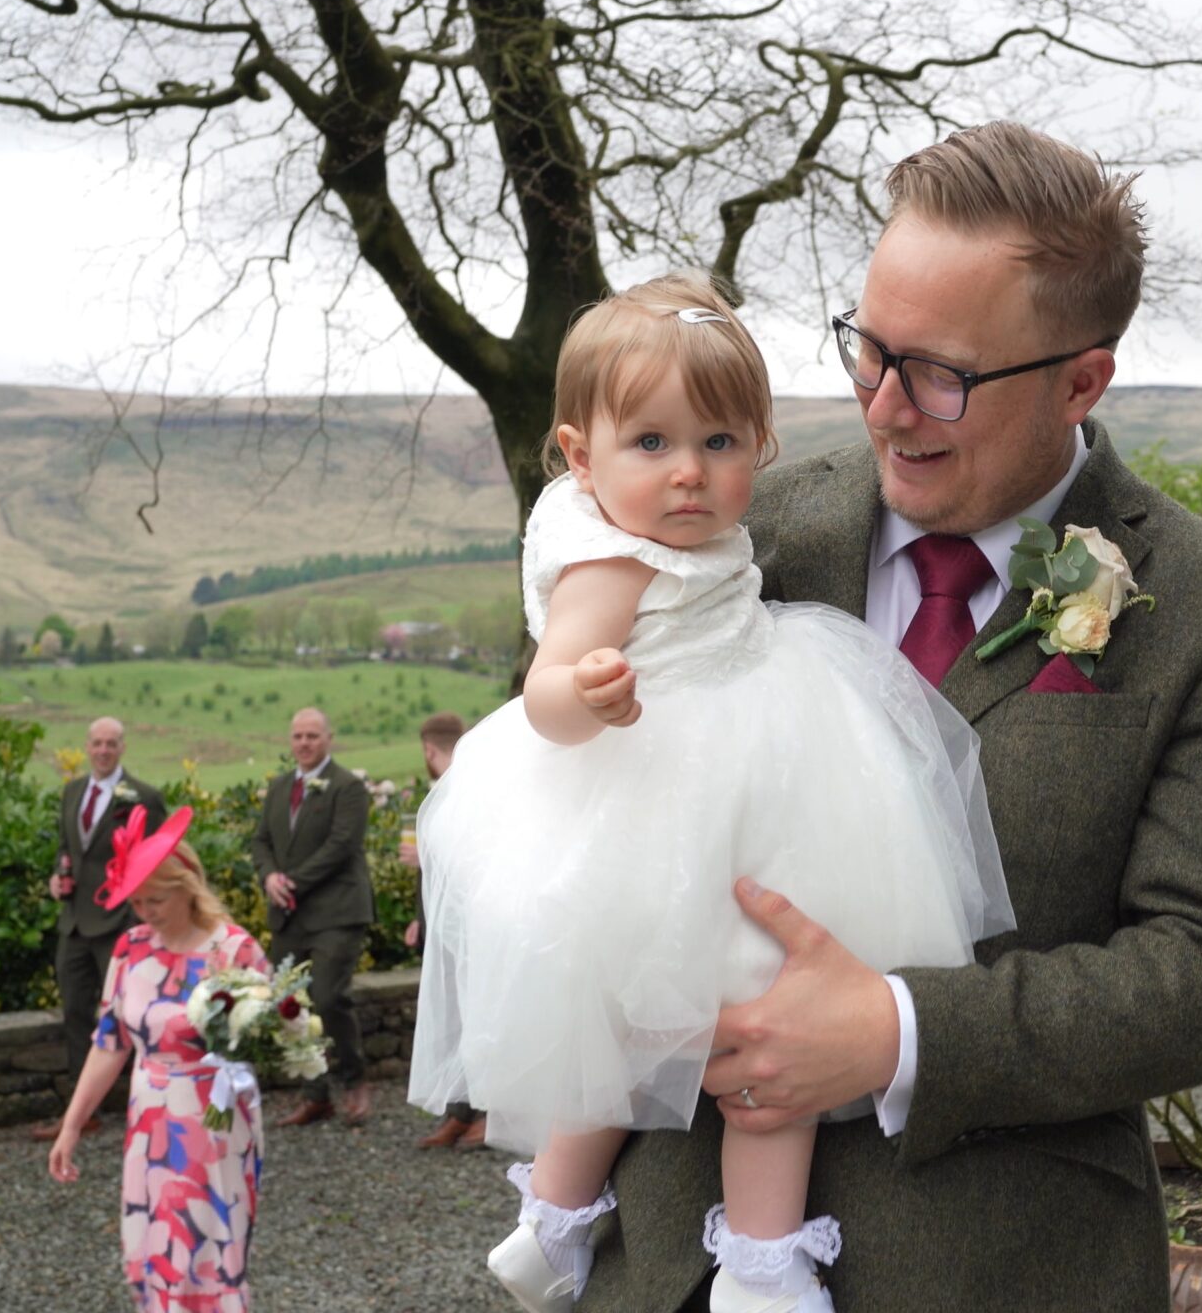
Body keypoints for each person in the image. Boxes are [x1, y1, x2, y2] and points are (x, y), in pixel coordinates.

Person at [579, 124, 1202, 1311]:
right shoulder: (734, 528)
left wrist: (897, 1033)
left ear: (1080, 381)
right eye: (869, 349)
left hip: (999, 1272)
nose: (884, 408)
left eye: (940, 376)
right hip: (670, 1262)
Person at [408, 270, 1011, 1313]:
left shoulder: (693, 531)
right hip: (654, 815)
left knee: (741, 1041)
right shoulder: (611, 562)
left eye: (720, 442)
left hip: (761, 784)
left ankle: (631, 1237)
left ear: (759, 446)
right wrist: (584, 694)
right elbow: (543, 692)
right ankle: (687, 1249)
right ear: (579, 454)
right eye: (652, 443)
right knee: (696, 1044)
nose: (689, 473)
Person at [49, 809, 267, 1313]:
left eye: (156, 899)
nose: (145, 911)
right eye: (136, 901)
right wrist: (71, 1125)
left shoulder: (234, 950)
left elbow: (269, 1035)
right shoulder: (130, 948)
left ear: (187, 887)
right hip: (149, 1117)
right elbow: (110, 1043)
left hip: (214, 1114)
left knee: (207, 1247)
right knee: (156, 1245)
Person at [35, 717, 167, 1142]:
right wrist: (57, 878)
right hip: (75, 922)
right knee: (76, 1013)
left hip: (119, 924)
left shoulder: (144, 797)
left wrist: (143, 915)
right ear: (87, 746)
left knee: (132, 1017)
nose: (103, 750)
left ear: (122, 747)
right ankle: (82, 1113)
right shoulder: (73, 791)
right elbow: (67, 850)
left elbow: (159, 859)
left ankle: (146, 1107)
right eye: (97, 743)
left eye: (111, 744)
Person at [248, 708, 372, 1126]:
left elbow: (341, 846)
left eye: (312, 736)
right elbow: (261, 841)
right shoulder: (279, 787)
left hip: (337, 910)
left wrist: (292, 882)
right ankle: (315, 1094)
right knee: (290, 1004)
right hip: (289, 913)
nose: (304, 743)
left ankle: (354, 1080)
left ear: (328, 738)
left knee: (329, 997)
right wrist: (269, 876)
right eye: (298, 736)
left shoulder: (348, 787)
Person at [404, 712, 485, 1152]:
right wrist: (422, 918)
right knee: (456, 1020)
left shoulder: (476, 787)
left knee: (482, 1016)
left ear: (428, 750)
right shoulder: (447, 790)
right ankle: (460, 1111)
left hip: (478, 926)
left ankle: (491, 1113)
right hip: (447, 926)